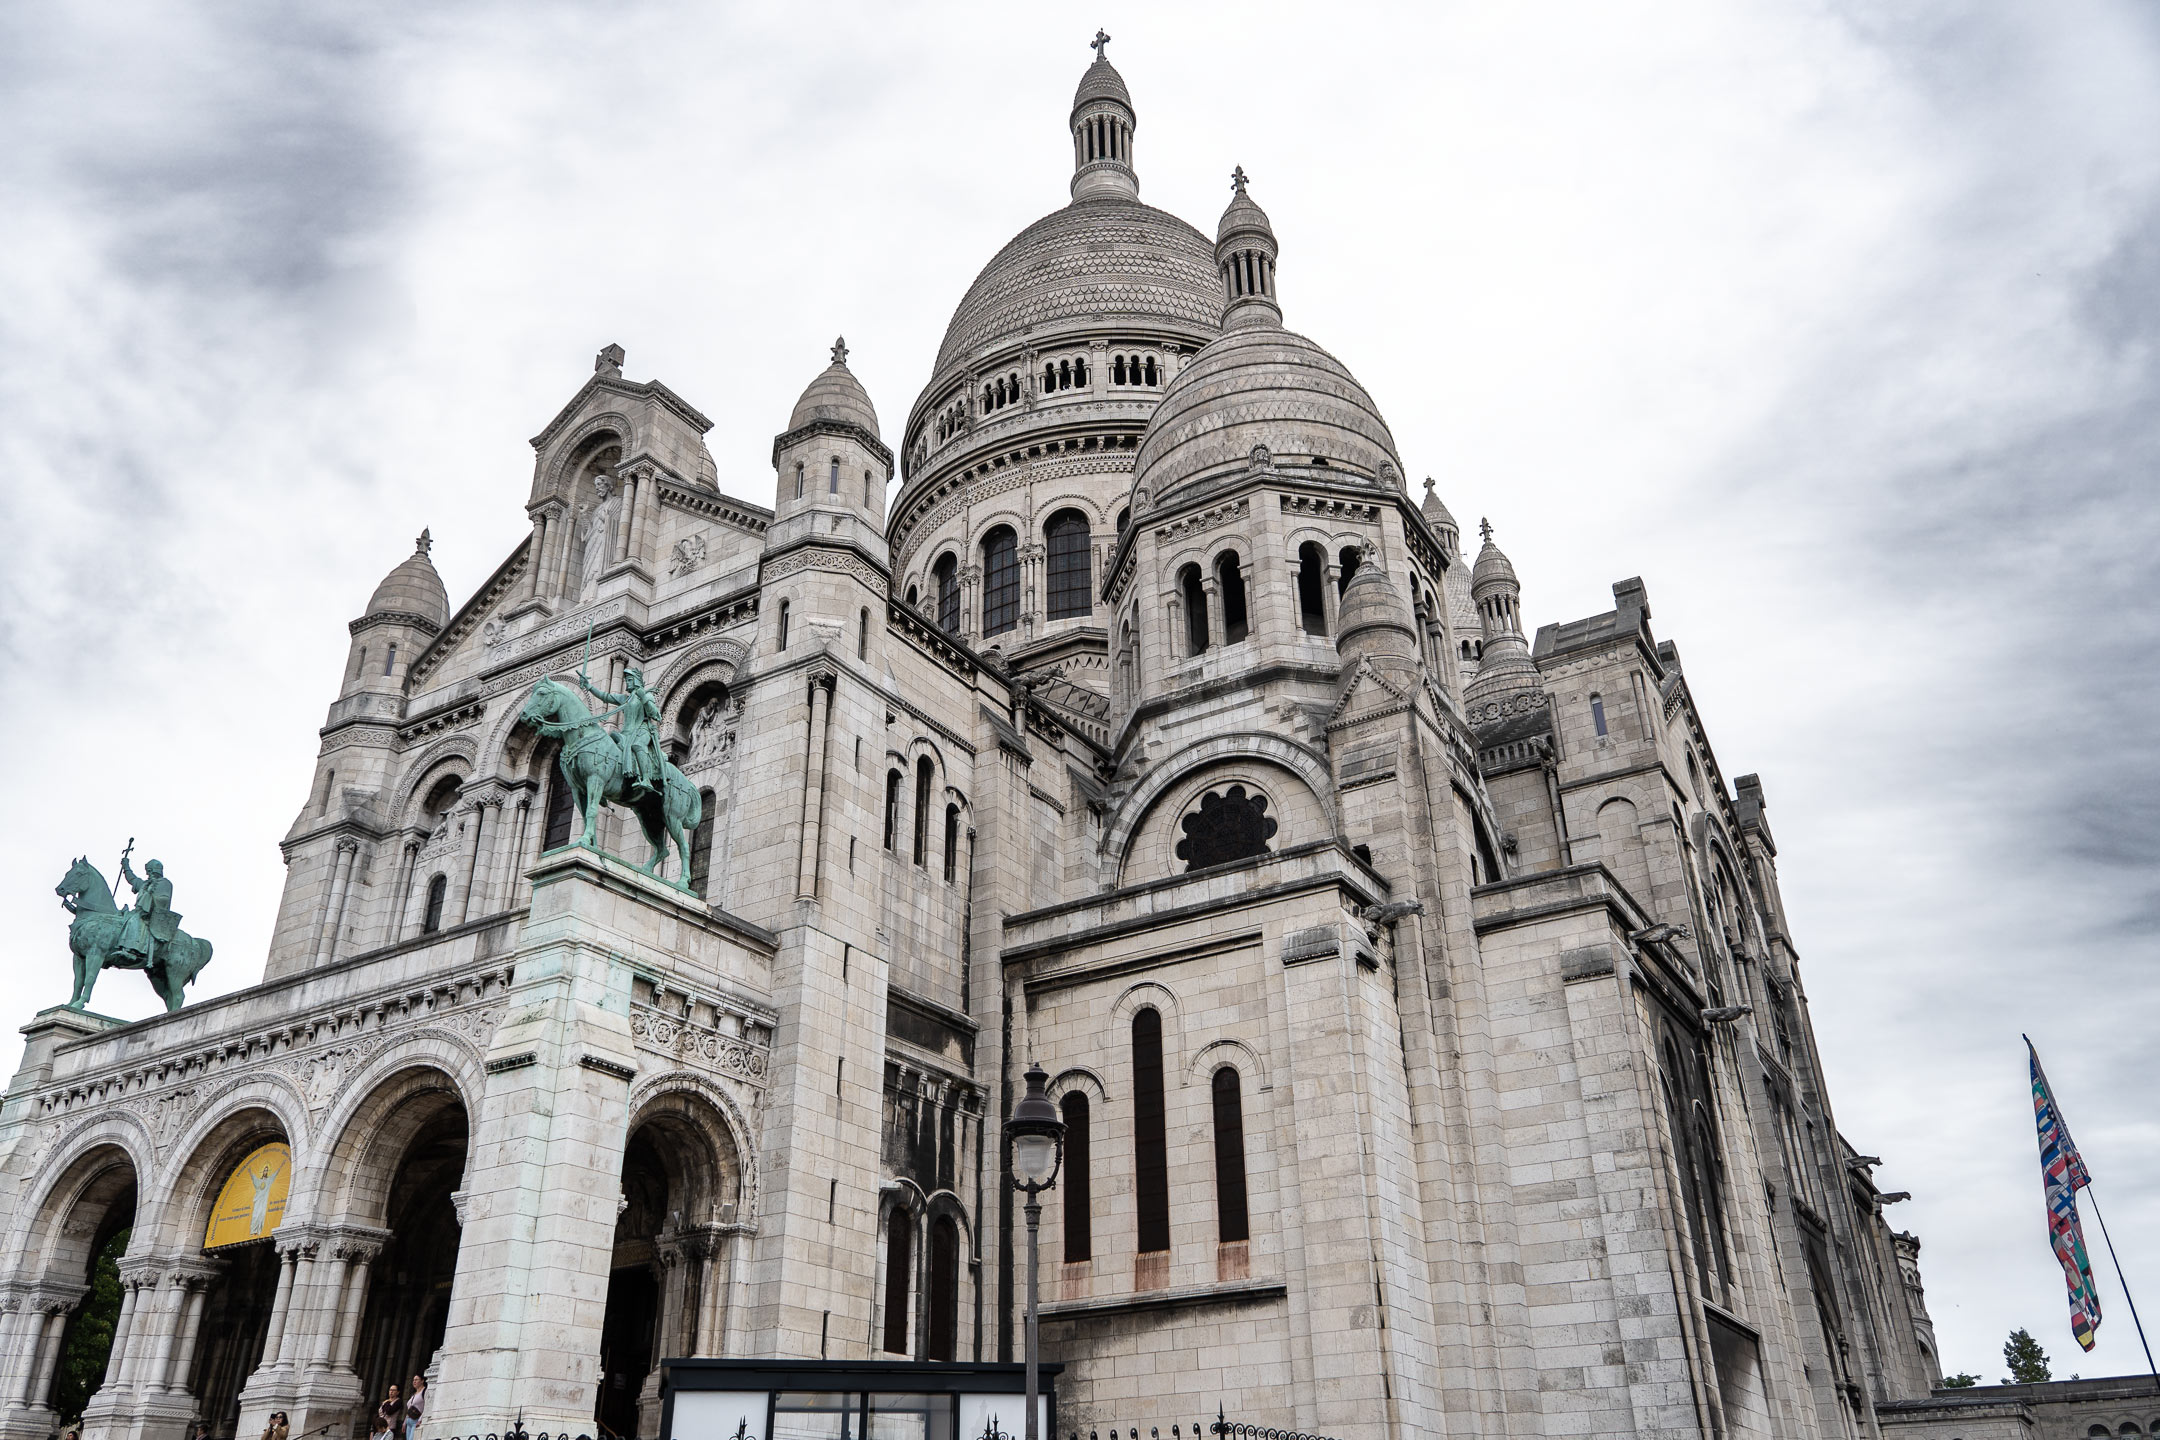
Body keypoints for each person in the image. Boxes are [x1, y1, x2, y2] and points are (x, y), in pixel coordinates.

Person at [575, 666, 664, 802]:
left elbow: (655, 715)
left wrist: (643, 697)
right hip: (627, 732)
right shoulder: (625, 699)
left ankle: (646, 779)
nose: (626, 683)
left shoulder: (646, 695)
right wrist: (588, 686)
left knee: (637, 745)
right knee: (609, 741)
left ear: (636, 681)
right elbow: (606, 696)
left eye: (629, 680)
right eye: (626, 680)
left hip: (642, 730)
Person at [115, 854, 181, 970]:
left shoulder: (164, 883)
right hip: (139, 911)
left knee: (133, 920)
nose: (149, 874)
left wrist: (150, 896)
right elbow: (133, 879)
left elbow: (164, 899)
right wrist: (126, 867)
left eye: (150, 871)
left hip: (151, 915)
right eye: (148, 871)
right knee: (122, 917)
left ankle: (130, 950)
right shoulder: (145, 884)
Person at [404, 1374, 426, 1440]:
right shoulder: (414, 1394)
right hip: (409, 1421)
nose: (414, 1381)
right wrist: (405, 1422)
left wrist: (420, 1420)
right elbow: (409, 1409)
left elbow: (427, 1407)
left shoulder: (425, 1391)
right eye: (413, 1380)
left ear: (422, 1381)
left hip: (416, 1421)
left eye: (416, 1380)